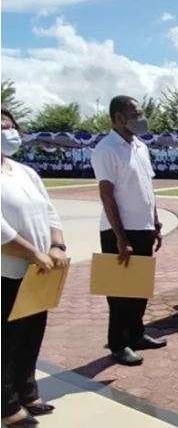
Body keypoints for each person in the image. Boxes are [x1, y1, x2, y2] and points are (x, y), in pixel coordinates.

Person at [1, 109, 68, 426]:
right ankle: (6, 405)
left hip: (38, 271)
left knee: (31, 334)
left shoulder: (24, 171)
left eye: (11, 126)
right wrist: (33, 253)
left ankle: (27, 391)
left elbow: (50, 211)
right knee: (6, 340)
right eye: (1, 127)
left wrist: (56, 245)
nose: (8, 132)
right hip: (8, 271)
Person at [91, 95, 166, 366]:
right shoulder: (106, 148)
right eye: (136, 114)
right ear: (119, 117)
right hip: (119, 231)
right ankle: (118, 343)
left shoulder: (140, 147)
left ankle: (136, 333)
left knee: (139, 288)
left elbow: (148, 189)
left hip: (144, 228)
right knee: (120, 291)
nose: (141, 118)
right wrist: (121, 237)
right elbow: (107, 196)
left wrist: (155, 223)